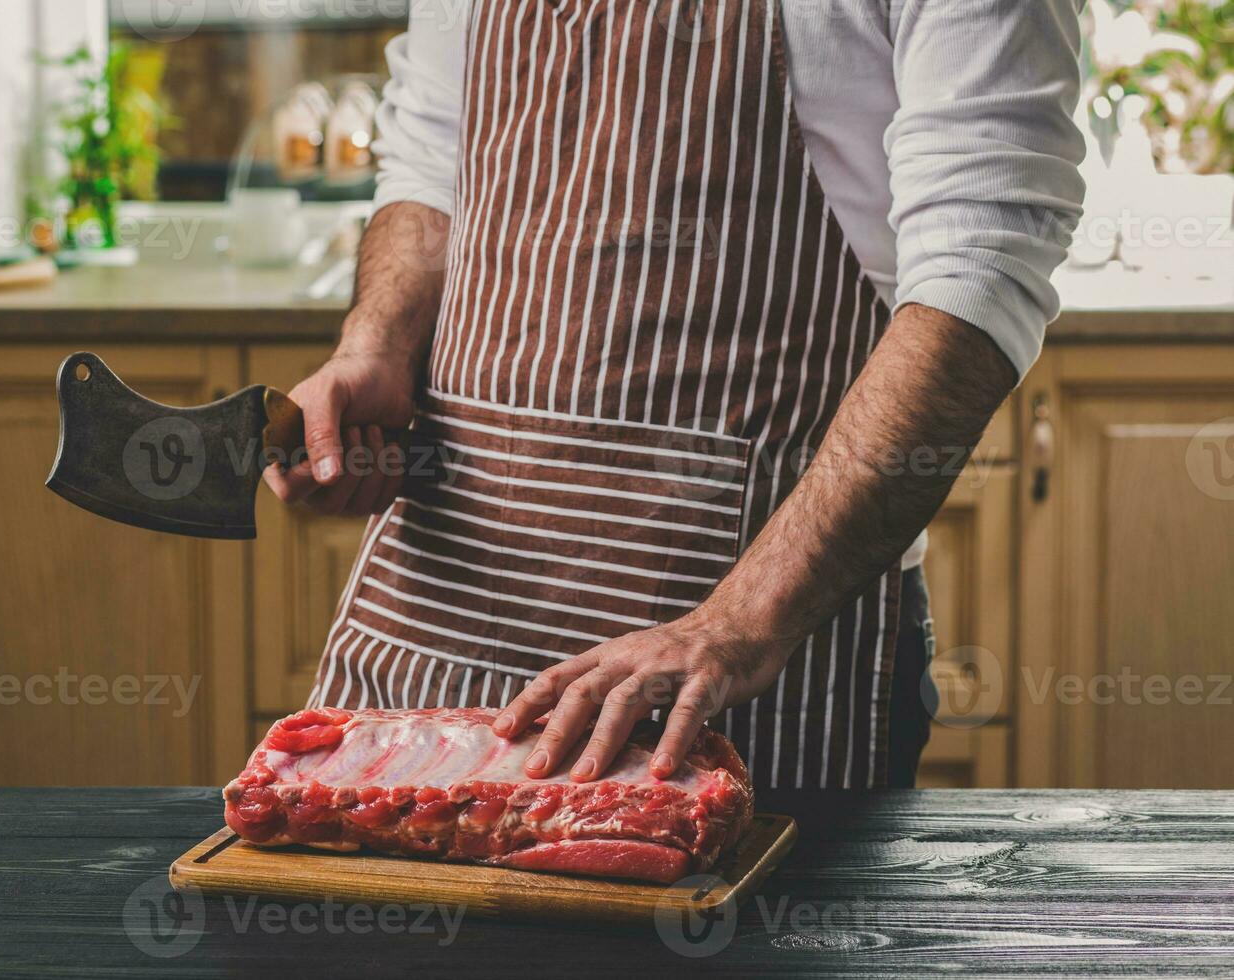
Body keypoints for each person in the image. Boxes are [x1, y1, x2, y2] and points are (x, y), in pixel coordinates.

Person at [264, 0, 1086, 789]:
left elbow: (980, 265)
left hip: (741, 648)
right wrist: (377, 343)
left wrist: (734, 627)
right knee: (374, 924)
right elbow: (432, 153)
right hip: (444, 602)